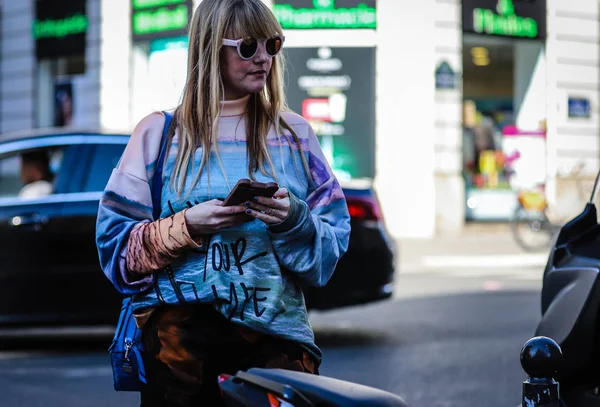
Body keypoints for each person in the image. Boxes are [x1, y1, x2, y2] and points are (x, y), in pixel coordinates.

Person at [95, 0, 351, 405]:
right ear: (211, 49)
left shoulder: (295, 135)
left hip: (276, 341)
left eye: (273, 44)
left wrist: (293, 220)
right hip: (179, 353)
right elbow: (117, 257)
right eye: (248, 46)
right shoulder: (157, 134)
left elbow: (330, 253)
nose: (264, 58)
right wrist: (188, 226)